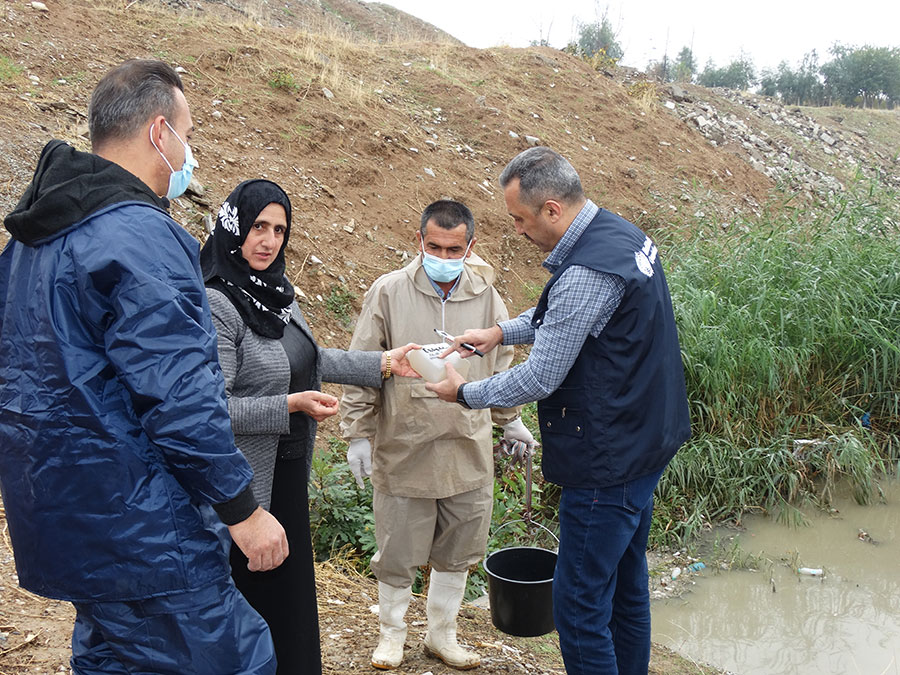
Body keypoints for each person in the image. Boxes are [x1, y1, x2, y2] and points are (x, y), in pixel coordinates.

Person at [0, 60, 285, 674]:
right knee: (234, 660)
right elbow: (180, 395)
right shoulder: (139, 237)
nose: (191, 154)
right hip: (145, 530)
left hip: (64, 516)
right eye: (188, 134)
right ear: (161, 133)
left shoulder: (30, 242)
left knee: (113, 660)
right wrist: (242, 510)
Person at [427, 148, 691, 675]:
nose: (519, 231)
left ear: (551, 209)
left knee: (578, 605)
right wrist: (500, 332)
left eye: (520, 219)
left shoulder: (586, 270)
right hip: (649, 439)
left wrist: (465, 395)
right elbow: (563, 316)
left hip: (608, 460)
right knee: (626, 586)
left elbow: (541, 376)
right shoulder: (617, 233)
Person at [199, 178, 419, 675]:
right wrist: (289, 405)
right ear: (234, 227)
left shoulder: (275, 293)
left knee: (288, 600)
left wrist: (382, 362)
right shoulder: (217, 302)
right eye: (258, 226)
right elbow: (212, 409)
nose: (269, 240)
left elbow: (309, 358)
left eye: (279, 229)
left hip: (289, 471)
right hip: (247, 485)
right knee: (251, 601)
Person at [339, 199, 537, 670]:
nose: (444, 258)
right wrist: (358, 433)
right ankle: (392, 635)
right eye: (435, 247)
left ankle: (441, 634)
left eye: (454, 249)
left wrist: (510, 419)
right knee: (398, 549)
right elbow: (362, 364)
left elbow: (501, 362)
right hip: (405, 445)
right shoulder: (388, 292)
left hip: (467, 446)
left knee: (458, 548)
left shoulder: (486, 295)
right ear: (419, 242)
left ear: (471, 247)